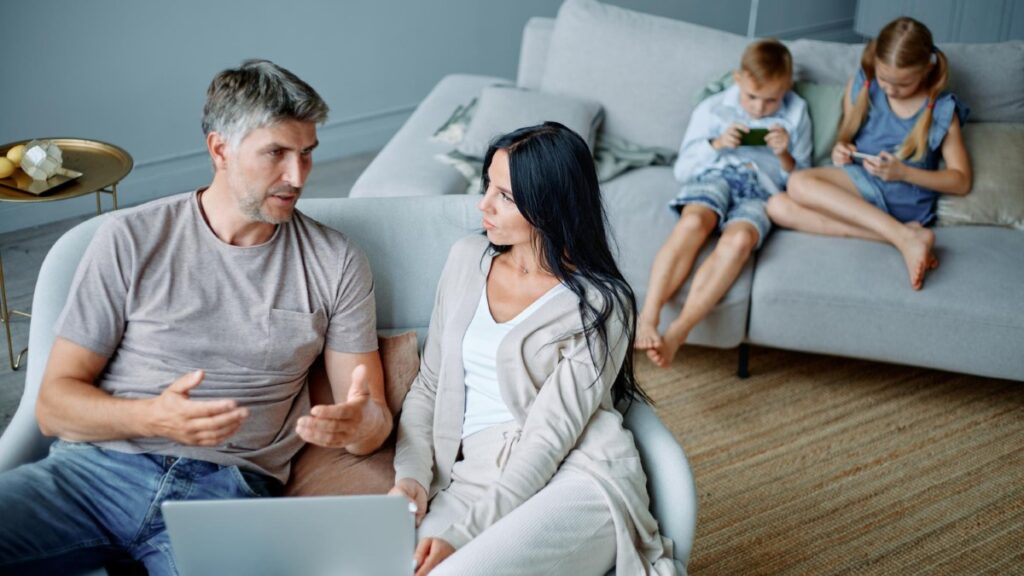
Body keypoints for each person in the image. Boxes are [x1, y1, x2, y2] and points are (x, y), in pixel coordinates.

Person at [0, 59, 392, 576]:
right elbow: (53, 406)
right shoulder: (131, 238)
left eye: (307, 154)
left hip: (226, 495)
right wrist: (150, 418)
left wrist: (361, 426)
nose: (296, 177)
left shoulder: (335, 260)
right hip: (92, 474)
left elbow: (372, 417)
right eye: (275, 153)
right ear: (220, 149)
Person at [388, 122, 680, 575]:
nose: (483, 204)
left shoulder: (601, 304)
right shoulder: (467, 259)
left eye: (504, 195)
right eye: (488, 184)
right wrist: (412, 475)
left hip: (578, 475)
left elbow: (547, 440)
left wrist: (463, 535)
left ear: (549, 203)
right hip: (472, 477)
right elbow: (429, 385)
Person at [636, 39, 812, 367]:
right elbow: (683, 169)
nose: (759, 108)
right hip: (715, 176)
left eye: (771, 100)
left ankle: (679, 331)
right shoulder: (713, 108)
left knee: (740, 239)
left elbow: (802, 182)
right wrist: (716, 144)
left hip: (761, 188)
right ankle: (648, 317)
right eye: (752, 97)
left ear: (787, 87)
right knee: (693, 222)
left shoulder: (797, 112)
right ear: (738, 79)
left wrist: (784, 153)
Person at [766, 17, 971, 290]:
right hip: (861, 185)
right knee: (776, 206)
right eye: (884, 79)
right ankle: (902, 236)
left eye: (902, 84)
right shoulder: (864, 84)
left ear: (926, 70)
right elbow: (847, 139)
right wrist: (843, 151)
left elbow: (961, 181)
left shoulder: (942, 110)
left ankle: (902, 234)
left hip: (904, 199)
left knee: (798, 182)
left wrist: (904, 172)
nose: (889, 89)